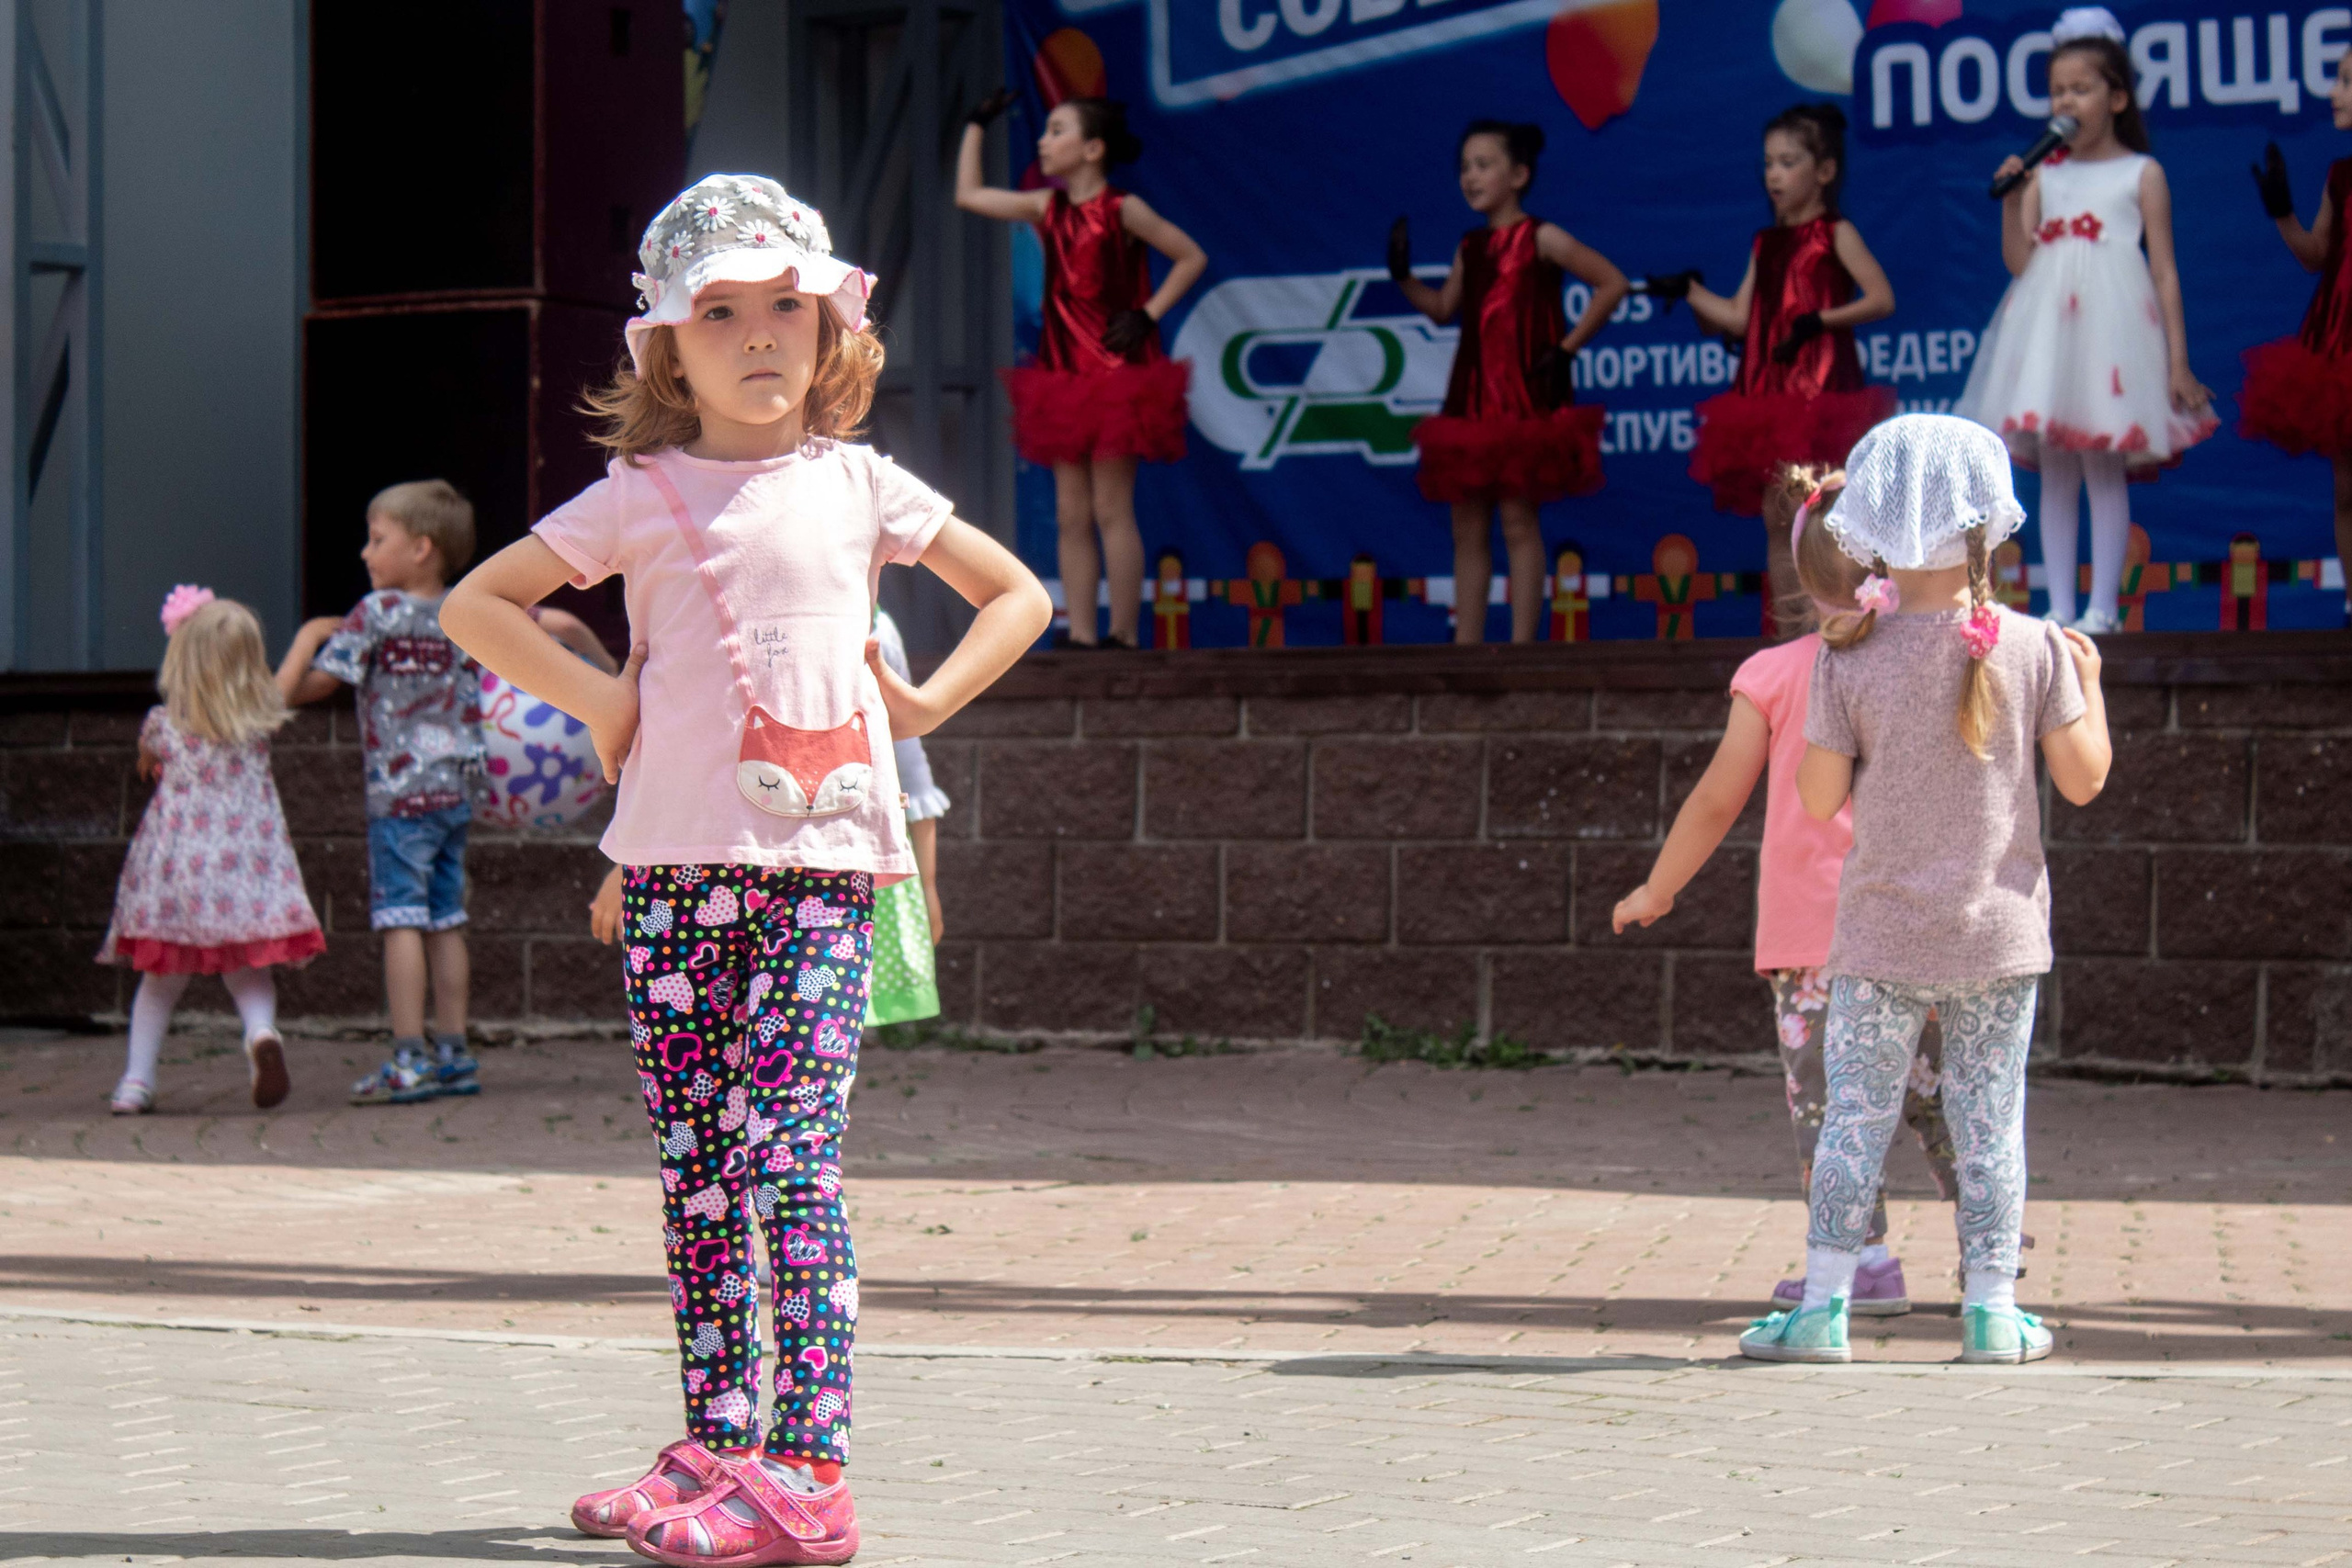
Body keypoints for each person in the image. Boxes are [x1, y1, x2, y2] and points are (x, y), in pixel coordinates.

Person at [438, 173, 1050, 1565]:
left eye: (790, 305)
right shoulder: (637, 493)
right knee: (701, 1167)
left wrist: (929, 704)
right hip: (666, 880)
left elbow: (1020, 592)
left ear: (833, 328)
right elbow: (481, 603)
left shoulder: (859, 483)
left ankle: (810, 1469)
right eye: (723, 312)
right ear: (668, 346)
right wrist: (601, 706)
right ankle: (720, 1439)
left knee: (790, 1162)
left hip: (821, 876)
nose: (762, 335)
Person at [1738, 414, 2111, 1367]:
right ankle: (1991, 1311)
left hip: (1877, 937)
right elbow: (2082, 779)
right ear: (1987, 522)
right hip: (1997, 938)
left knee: (1853, 1117)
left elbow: (1819, 798)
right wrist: (2090, 682)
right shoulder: (2032, 648)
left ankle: (1823, 1309)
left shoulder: (1846, 654)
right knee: (1989, 1122)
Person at [1612, 465, 1958, 1317]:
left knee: (1829, 1099)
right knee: (1940, 1087)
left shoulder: (1770, 675)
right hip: (1917, 922)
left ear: (1798, 577)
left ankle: (1862, 1257)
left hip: (1811, 939)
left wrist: (1658, 887)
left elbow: (1716, 799)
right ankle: (1991, 1233)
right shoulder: (1932, 660)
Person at [1954, 6, 2216, 635]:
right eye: (2057, 91)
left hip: (2111, 337)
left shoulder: (2141, 174)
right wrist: (2013, 197)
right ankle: (2061, 608)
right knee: (2058, 469)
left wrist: (2178, 364)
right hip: (2050, 335)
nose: (2065, 100)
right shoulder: (2046, 171)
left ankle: (2104, 608)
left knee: (2103, 464)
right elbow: (2021, 260)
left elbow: (2165, 272)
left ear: (2117, 96)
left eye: (2081, 88)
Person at [587, 604, 947, 1024]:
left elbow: (908, 760)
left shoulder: (871, 627)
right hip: (702, 870)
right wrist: (630, 859)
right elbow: (684, 755)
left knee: (812, 1036)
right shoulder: (716, 617)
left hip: (840, 863)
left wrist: (928, 883)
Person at [956, 90, 1205, 649]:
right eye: (1045, 130)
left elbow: (1191, 255)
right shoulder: (1047, 208)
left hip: (1117, 377)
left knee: (1112, 506)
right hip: (1063, 377)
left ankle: (1122, 632)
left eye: (1057, 130)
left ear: (1093, 148)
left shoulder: (1124, 210)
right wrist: (976, 124)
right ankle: (1084, 634)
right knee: (1072, 512)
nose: (1044, 141)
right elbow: (969, 195)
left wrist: (1148, 314)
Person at [277, 479, 485, 1106]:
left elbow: (308, 689)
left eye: (377, 539)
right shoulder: (464, 610)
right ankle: (455, 1052)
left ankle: (408, 1056)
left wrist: (307, 637)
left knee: (401, 919)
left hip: (398, 799)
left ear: (421, 548)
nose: (366, 554)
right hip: (455, 791)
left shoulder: (375, 614)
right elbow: (548, 621)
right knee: (447, 919)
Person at [1391, 120, 1626, 644]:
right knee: (1467, 528)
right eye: (1464, 168)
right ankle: (1466, 648)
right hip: (1471, 403)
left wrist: (1567, 349)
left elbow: (1611, 283)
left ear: (1518, 174)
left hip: (1520, 400)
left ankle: (1523, 648)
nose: (1470, 177)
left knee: (1519, 522)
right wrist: (1405, 277)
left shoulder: (1541, 236)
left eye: (1484, 165)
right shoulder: (1470, 246)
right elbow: (1442, 308)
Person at [100, 587, 325, 1115]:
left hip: (177, 878)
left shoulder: (162, 724)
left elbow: (147, 764)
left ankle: (136, 1082)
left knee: (159, 984)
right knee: (249, 974)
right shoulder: (261, 718)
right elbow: (290, 681)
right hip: (246, 874)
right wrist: (312, 634)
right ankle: (261, 1033)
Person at [1666, 104, 1896, 543]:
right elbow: (1738, 317)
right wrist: (1689, 292)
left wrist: (1821, 321)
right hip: (1768, 394)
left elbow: (1881, 298)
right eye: (1769, 163)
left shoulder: (1834, 233)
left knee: (1818, 518)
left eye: (1788, 163)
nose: (1774, 175)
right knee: (1778, 518)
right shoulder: (1765, 243)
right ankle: (1784, 614)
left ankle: (1826, 612)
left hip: (1819, 392)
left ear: (1825, 171)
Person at [2239, 48, 2352, 625]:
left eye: (2347, 82)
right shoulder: (2342, 175)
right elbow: (2316, 255)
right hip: (2341, 342)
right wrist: (2282, 211)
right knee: (2346, 482)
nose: (2335, 93)